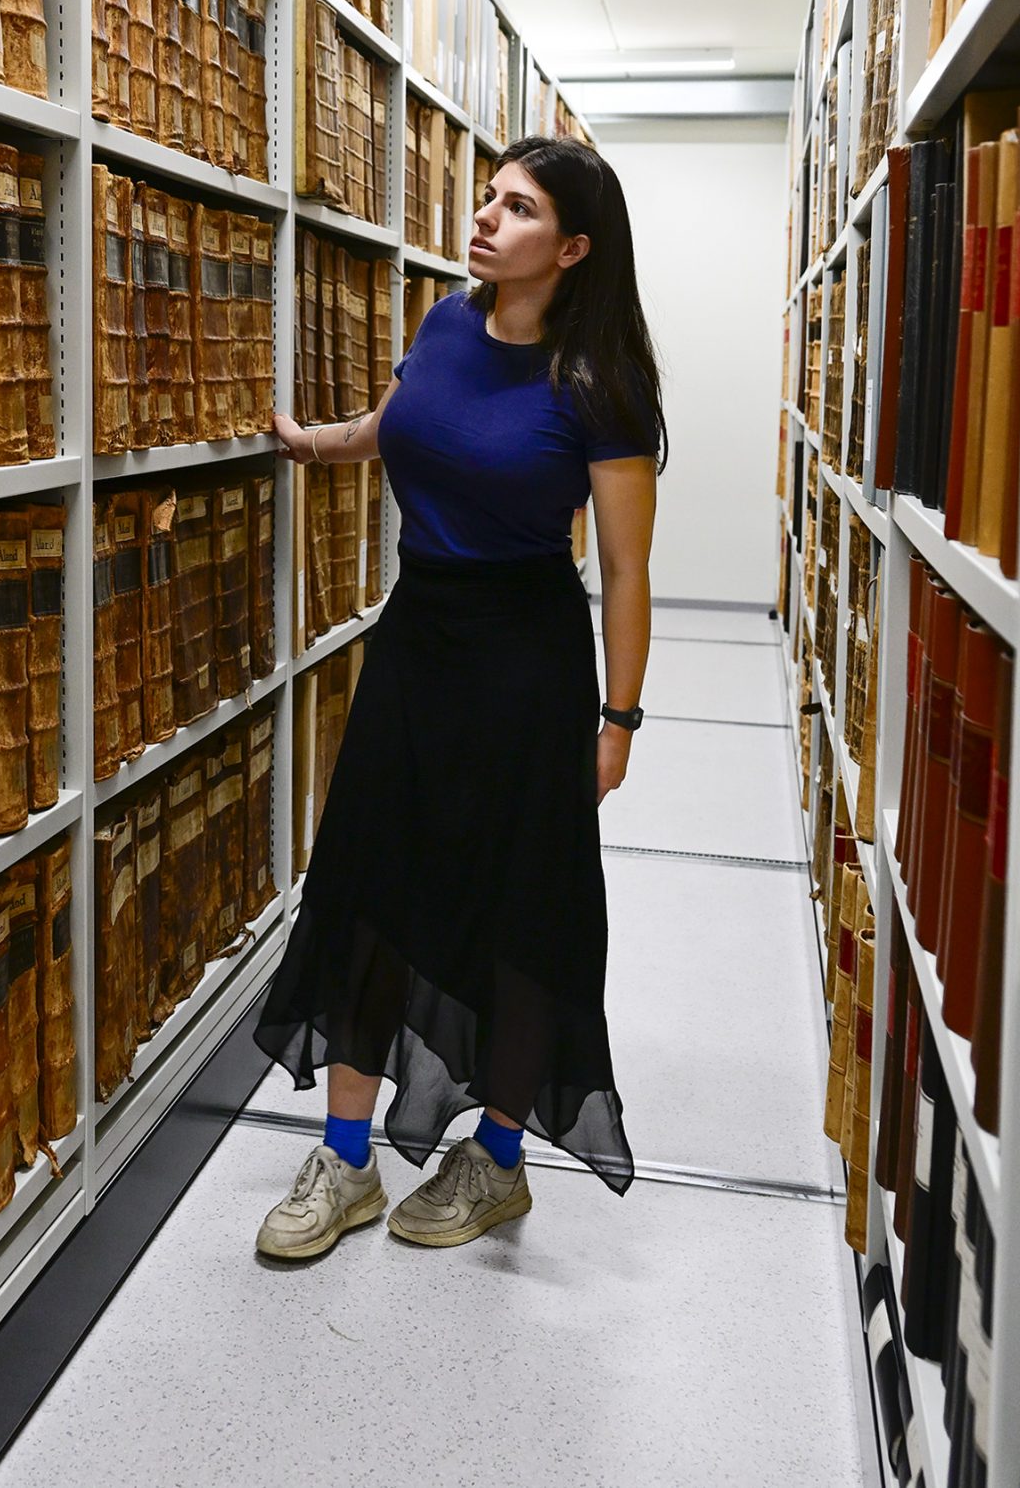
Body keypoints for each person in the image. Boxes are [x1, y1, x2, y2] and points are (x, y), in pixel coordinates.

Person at [253, 135, 664, 1257]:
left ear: (572, 250)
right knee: (368, 885)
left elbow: (625, 567)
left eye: (518, 207)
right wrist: (311, 443)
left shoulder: (600, 383)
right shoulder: (442, 324)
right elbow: (393, 429)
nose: (484, 217)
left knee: (519, 909)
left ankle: (497, 1158)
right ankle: (345, 1160)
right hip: (416, 643)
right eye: (488, 197)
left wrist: (618, 721)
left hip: (527, 663)